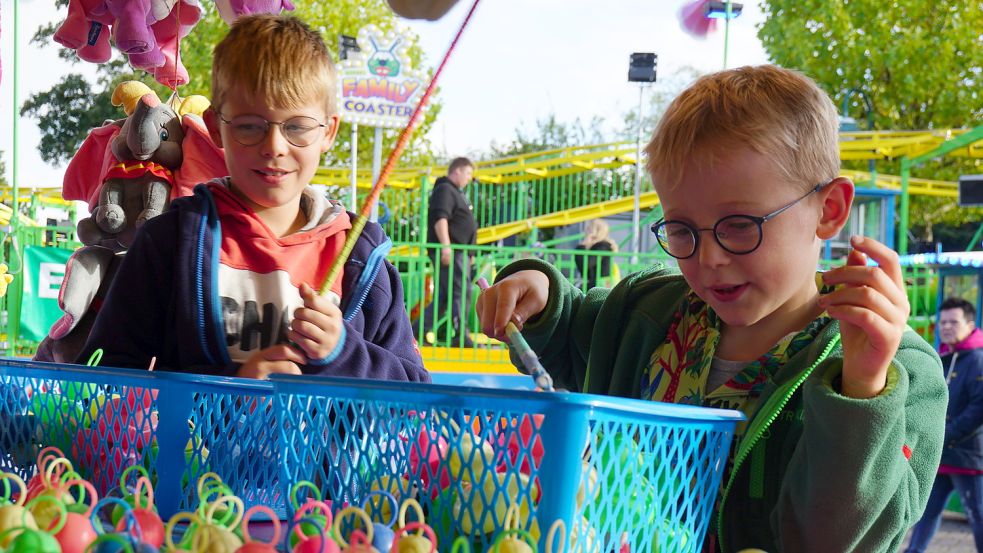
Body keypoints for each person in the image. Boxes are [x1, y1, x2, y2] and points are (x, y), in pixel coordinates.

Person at [476, 65, 947, 552]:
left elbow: (837, 540)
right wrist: (538, 291)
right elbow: (571, 328)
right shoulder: (645, 312)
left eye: (740, 224)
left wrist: (862, 390)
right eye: (681, 230)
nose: (709, 258)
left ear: (828, 210)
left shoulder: (901, 375)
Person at [78, 14, 428, 383]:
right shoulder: (168, 242)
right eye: (249, 126)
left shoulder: (359, 257)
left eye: (297, 127)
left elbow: (413, 398)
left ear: (328, 132)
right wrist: (229, 388)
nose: (274, 147)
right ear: (214, 127)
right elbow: (104, 381)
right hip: (197, 444)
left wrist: (344, 352)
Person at [906, 298, 983, 552]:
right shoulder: (943, 356)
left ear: (970, 325)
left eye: (954, 322)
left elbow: (978, 410)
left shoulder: (978, 360)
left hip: (968, 457)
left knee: (978, 516)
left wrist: (945, 434)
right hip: (941, 454)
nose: (946, 327)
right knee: (926, 512)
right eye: (943, 322)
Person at [424, 157, 478, 347]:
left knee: (445, 296)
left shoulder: (455, 192)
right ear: (457, 171)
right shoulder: (445, 189)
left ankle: (417, 331)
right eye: (468, 173)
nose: (469, 178)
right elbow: (441, 218)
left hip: (459, 251)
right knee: (460, 292)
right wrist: (446, 246)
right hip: (451, 250)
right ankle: (461, 335)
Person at [573, 219, 618, 290]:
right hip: (595, 285)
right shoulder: (597, 246)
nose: (586, 230)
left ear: (596, 231)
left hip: (599, 287)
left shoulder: (603, 246)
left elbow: (586, 264)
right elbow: (582, 266)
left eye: (589, 228)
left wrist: (583, 244)